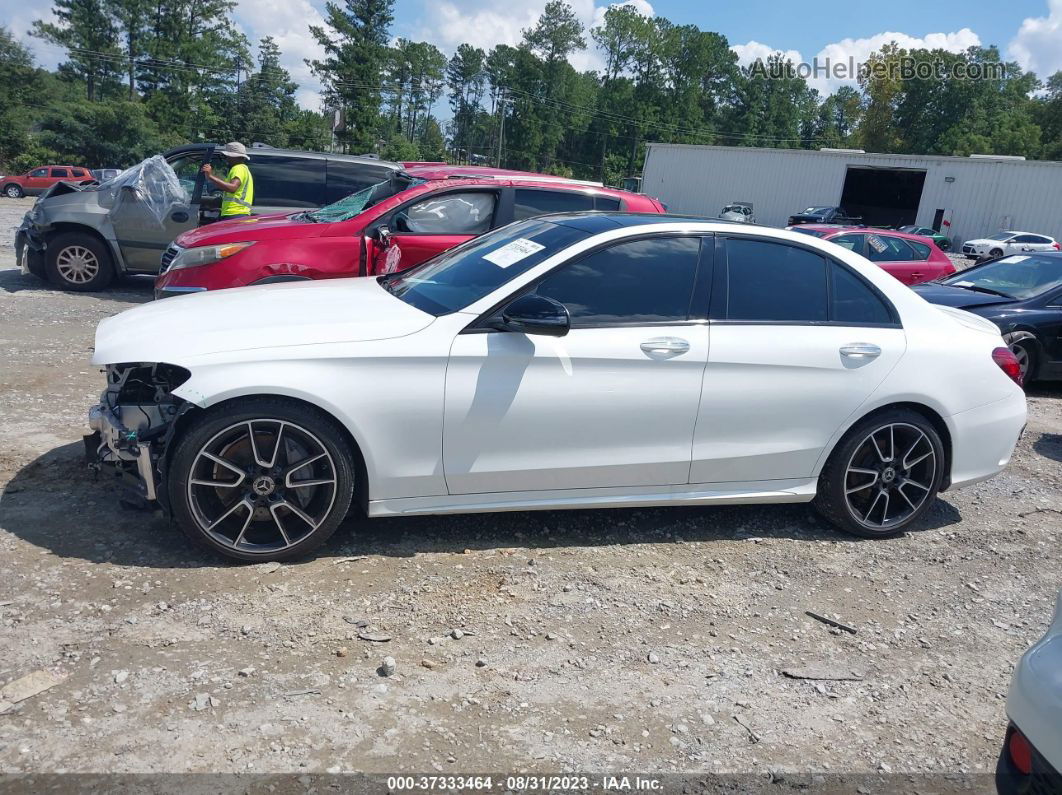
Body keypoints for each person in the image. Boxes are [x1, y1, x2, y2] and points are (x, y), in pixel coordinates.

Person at [201, 141, 254, 220]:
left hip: (234, 214)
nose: (227, 159)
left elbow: (232, 188)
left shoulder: (238, 168)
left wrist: (210, 176)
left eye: (228, 156)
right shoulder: (244, 169)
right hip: (237, 214)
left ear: (235, 157)